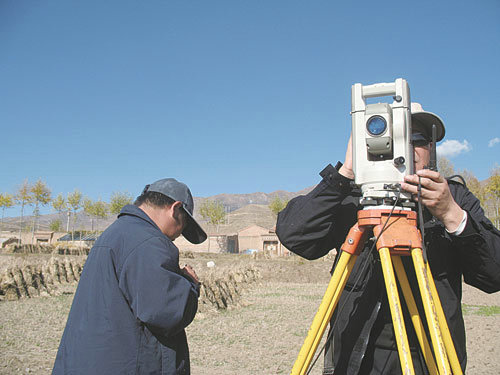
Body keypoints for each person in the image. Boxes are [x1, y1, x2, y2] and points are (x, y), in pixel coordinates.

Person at [276, 103, 500, 374]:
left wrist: (451, 214)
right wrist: (346, 172)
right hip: (356, 358)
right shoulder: (352, 196)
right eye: (397, 138)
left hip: (430, 359)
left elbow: (493, 275)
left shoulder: (453, 198)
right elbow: (294, 236)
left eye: (417, 139)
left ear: (431, 149)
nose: (407, 147)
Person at [53, 178, 207, 375]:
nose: (178, 235)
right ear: (175, 209)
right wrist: (190, 283)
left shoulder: (117, 233)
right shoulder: (148, 242)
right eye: (183, 225)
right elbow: (167, 313)